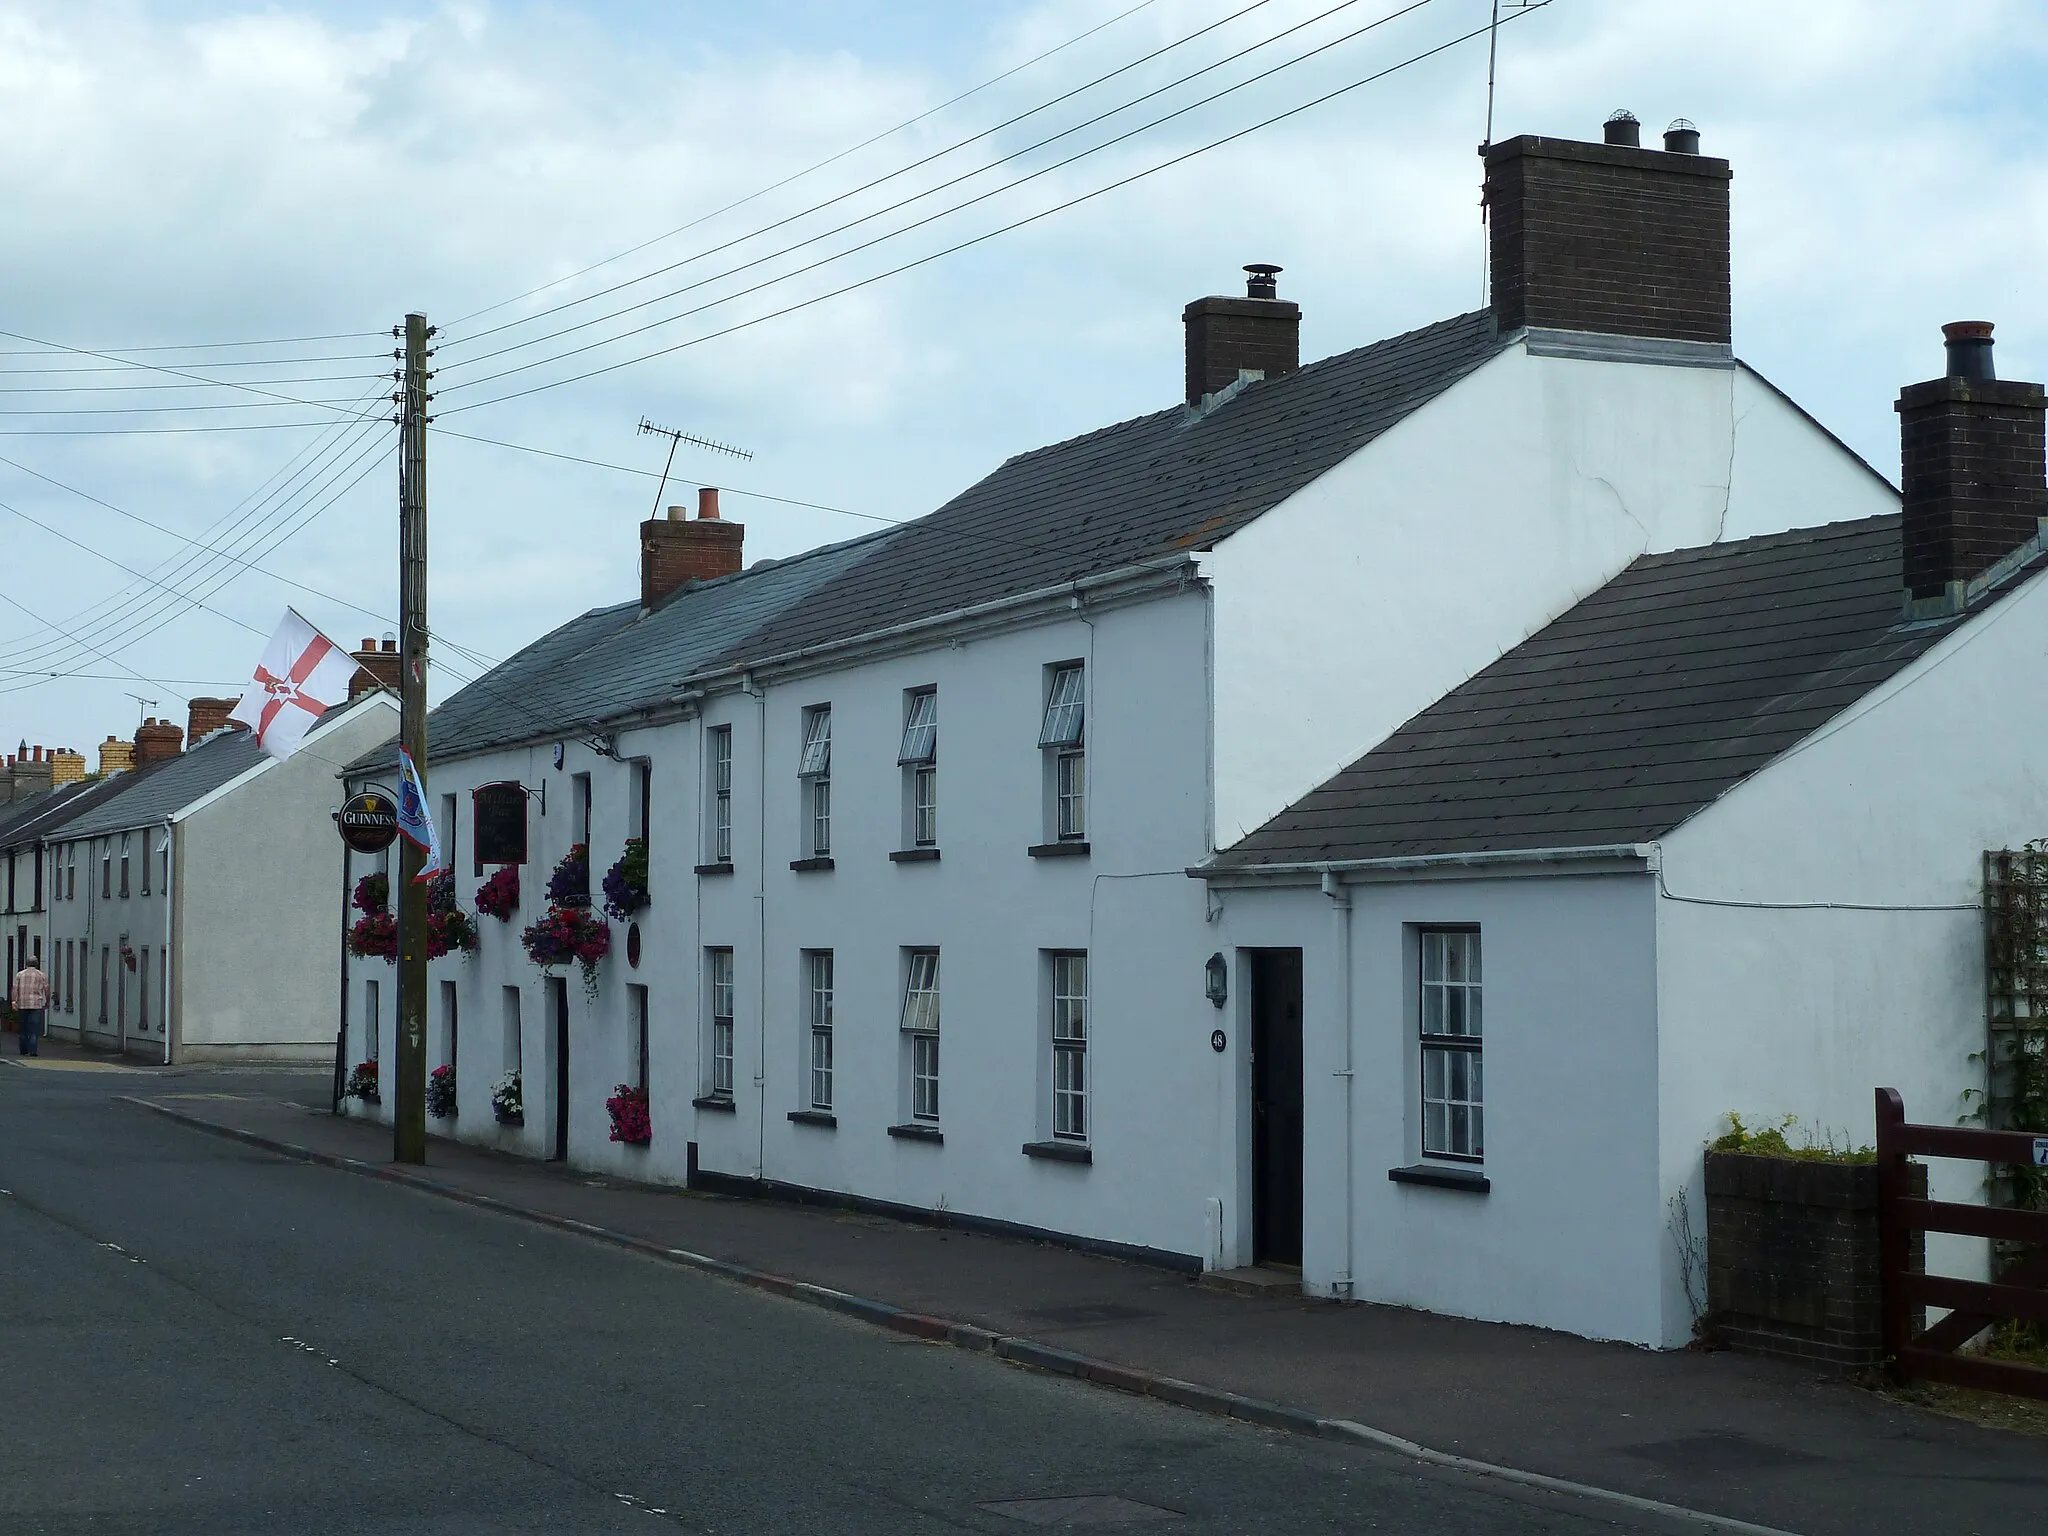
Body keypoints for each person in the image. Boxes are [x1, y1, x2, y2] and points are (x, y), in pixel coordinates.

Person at [10, 952, 49, 1057]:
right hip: (36, 1005)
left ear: (26, 963)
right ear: (37, 964)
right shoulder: (41, 975)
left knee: (23, 1028)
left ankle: (23, 1050)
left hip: (22, 1004)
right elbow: (46, 989)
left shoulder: (19, 974)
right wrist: (48, 1001)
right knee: (34, 1029)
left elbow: (14, 988)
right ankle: (33, 1051)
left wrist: (14, 1001)